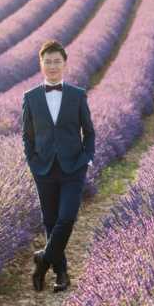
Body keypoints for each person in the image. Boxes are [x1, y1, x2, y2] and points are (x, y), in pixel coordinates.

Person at [21, 40, 95, 292]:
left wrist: (87, 158)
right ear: (41, 65)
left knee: (67, 218)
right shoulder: (30, 98)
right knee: (50, 221)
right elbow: (27, 136)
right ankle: (61, 274)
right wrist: (32, 161)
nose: (52, 66)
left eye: (57, 61)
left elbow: (89, 131)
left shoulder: (77, 95)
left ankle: (42, 260)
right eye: (48, 62)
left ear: (64, 64)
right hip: (43, 169)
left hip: (73, 167)